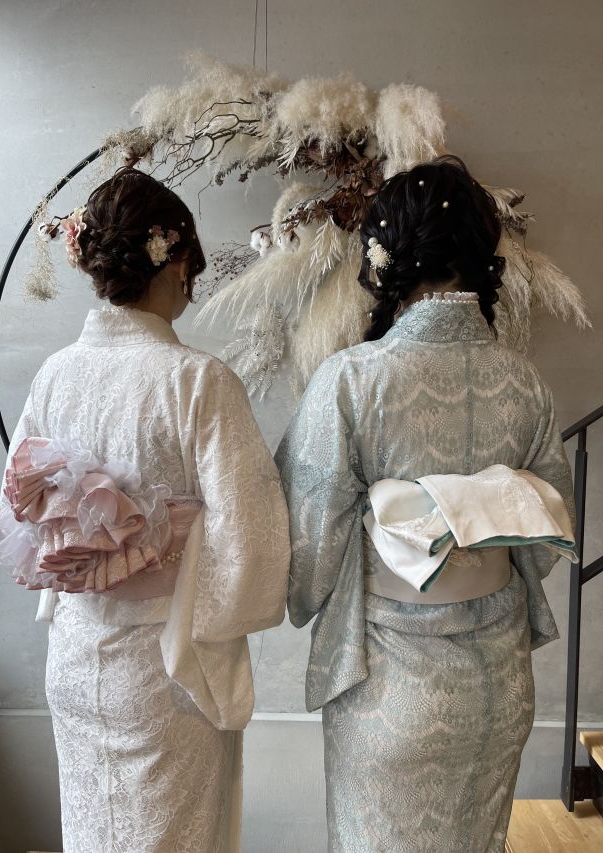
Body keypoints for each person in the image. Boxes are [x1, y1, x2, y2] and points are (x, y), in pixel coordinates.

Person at [275, 156, 575, 853]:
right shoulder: (523, 384)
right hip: (497, 689)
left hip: (391, 690)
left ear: (385, 255)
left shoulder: (351, 380)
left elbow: (308, 548)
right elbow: (543, 539)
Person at [0, 168, 291, 853]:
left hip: (76, 654)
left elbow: (24, 504)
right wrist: (206, 620)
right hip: (164, 667)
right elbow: (251, 538)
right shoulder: (198, 381)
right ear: (176, 263)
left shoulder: (55, 374)